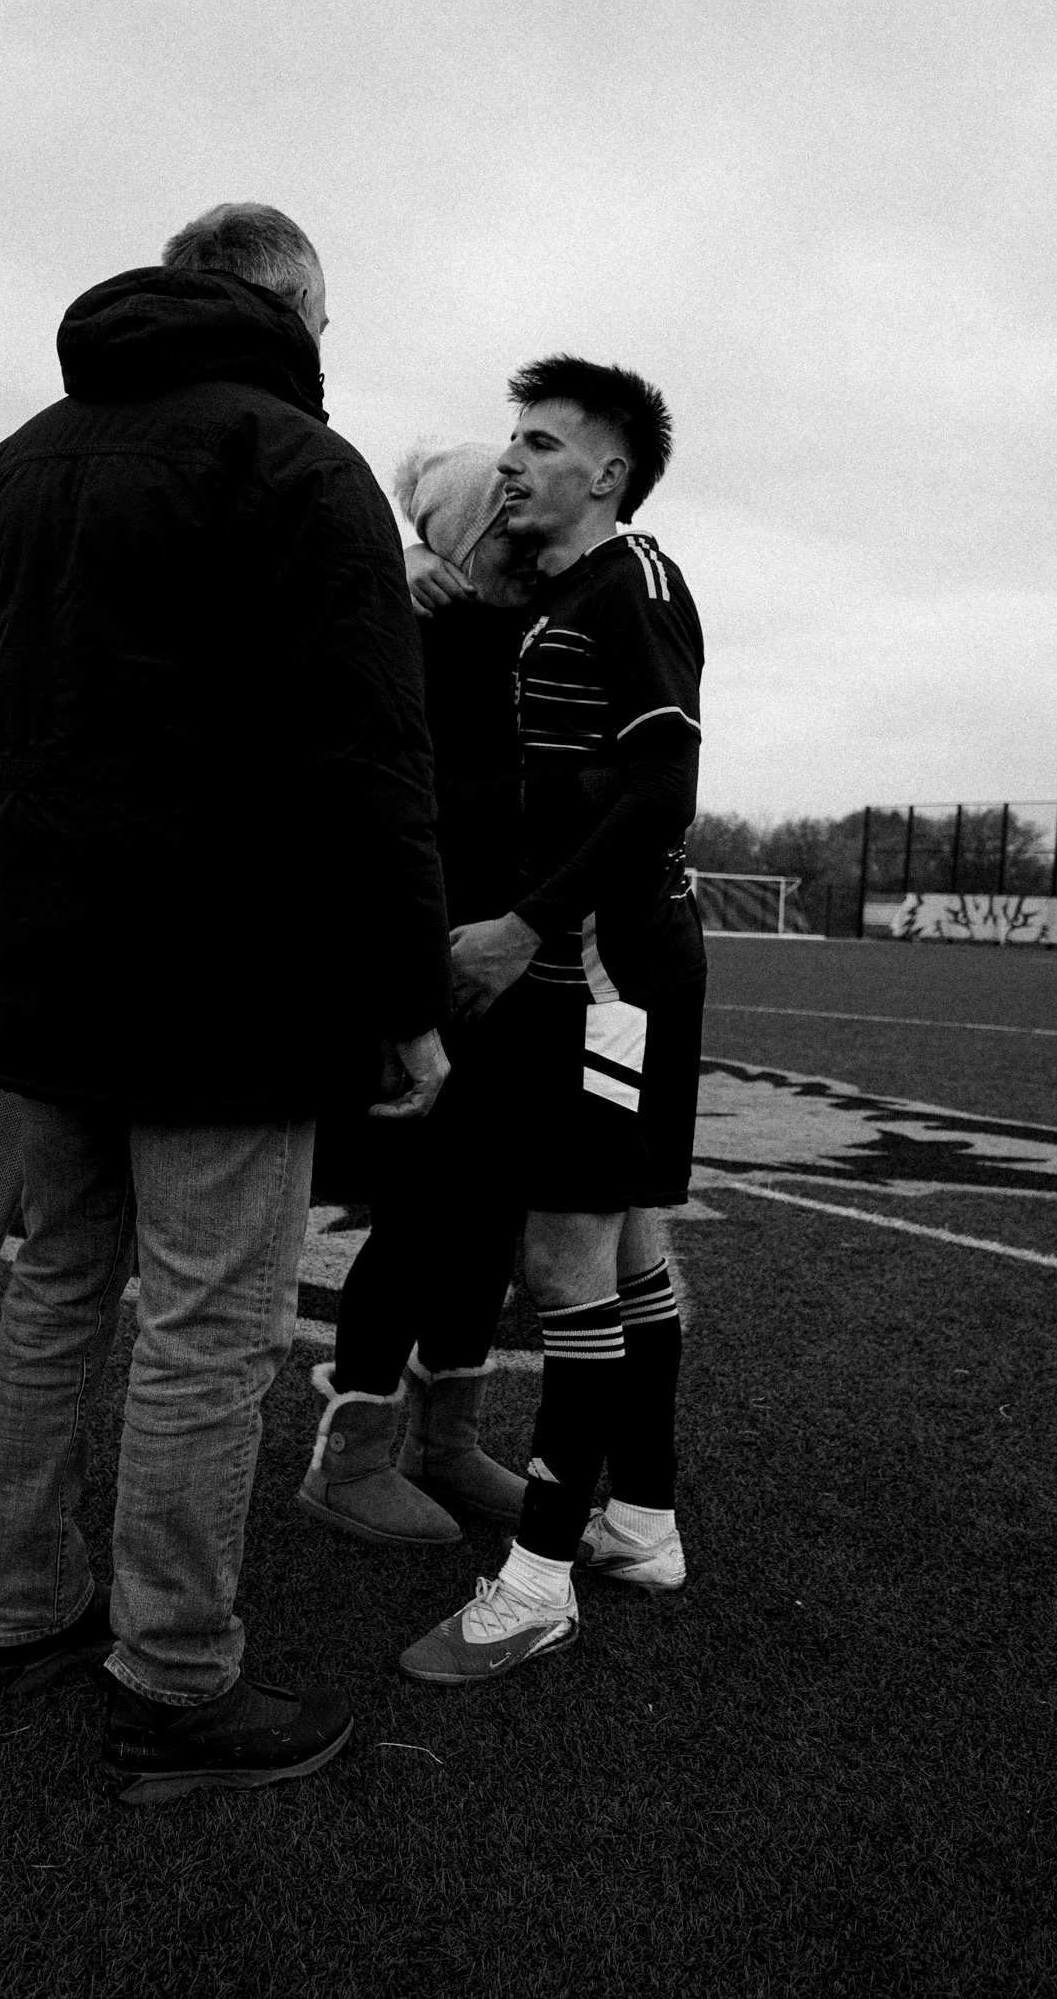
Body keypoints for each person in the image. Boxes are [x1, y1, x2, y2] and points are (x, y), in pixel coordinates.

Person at [0, 202, 452, 1799]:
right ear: (289, 308)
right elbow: (369, 752)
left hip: (51, 968)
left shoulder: (22, 457)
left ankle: (25, 1614)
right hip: (232, 980)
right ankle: (171, 1681)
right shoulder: (296, 463)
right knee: (209, 1335)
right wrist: (406, 989)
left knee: (63, 1288)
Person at [396, 355, 707, 1687]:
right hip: (581, 968)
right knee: (625, 1246)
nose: (507, 459)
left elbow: (662, 790)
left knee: (566, 1261)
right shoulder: (563, 595)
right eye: (506, 438)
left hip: (602, 974)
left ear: (607, 474)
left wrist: (525, 926)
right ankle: (638, 1516)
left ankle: (536, 1584)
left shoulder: (633, 585)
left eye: (535, 440)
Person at [299, 445, 536, 1545]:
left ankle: (448, 1438)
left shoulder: (539, 623)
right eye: (506, 526)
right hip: (422, 958)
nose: (529, 543)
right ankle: (349, 1457)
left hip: (520, 962)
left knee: (491, 1211)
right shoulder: (406, 627)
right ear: (462, 539)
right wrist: (400, 573)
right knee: (424, 1208)